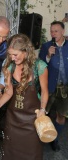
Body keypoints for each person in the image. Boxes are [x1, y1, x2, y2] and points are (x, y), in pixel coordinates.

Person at [0, 34, 49, 160]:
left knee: (31, 154)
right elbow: (9, 92)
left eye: (15, 54)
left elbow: (44, 92)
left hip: (33, 120)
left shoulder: (40, 67)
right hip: (13, 119)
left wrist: (43, 109)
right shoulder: (10, 67)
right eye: (10, 54)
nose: (12, 57)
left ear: (26, 51)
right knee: (10, 153)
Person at [39, 21, 68, 152]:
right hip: (49, 87)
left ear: (63, 32)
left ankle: (54, 139)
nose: (53, 33)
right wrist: (48, 56)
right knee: (42, 114)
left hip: (65, 89)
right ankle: (39, 139)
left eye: (56, 31)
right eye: (51, 31)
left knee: (61, 116)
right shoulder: (46, 46)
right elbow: (39, 65)